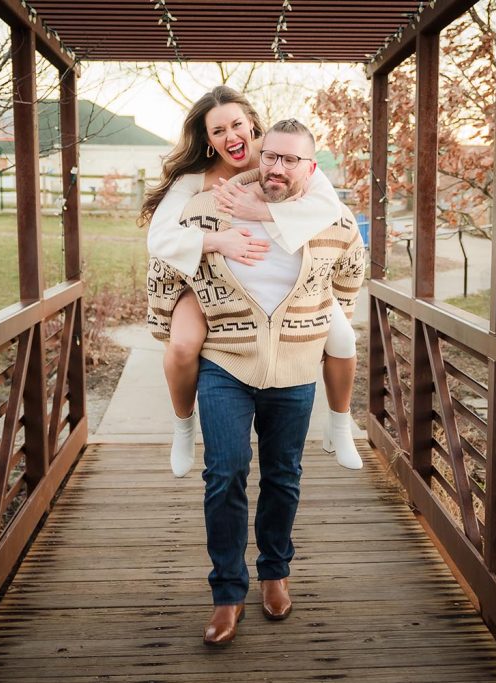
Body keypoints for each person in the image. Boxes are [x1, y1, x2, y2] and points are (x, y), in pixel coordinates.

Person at [147, 119, 366, 646]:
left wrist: (317, 322)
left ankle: (274, 574)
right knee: (224, 472)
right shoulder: (208, 206)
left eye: (292, 160)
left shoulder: (330, 219)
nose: (277, 167)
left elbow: (350, 278)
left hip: (293, 368)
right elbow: (164, 270)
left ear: (311, 168)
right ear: (259, 155)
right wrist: (174, 324)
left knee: (283, 476)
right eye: (271, 156)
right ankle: (227, 593)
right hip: (226, 362)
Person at [138, 86, 362, 478]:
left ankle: (339, 428)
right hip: (213, 280)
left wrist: (259, 210)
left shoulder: (280, 155)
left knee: (343, 339)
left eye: (237, 125)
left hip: (289, 283)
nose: (231, 137)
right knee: (183, 344)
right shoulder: (196, 179)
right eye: (218, 131)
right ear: (207, 140)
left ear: (252, 124)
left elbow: (328, 205)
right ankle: (182, 426)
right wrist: (216, 240)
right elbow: (158, 238)